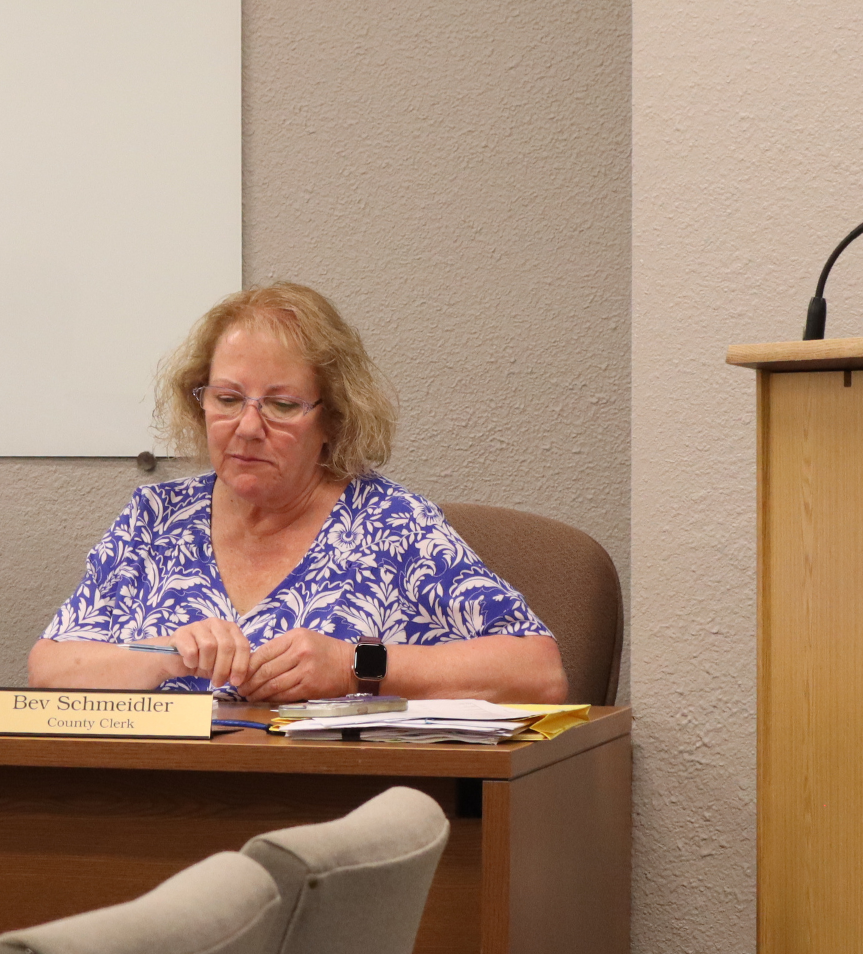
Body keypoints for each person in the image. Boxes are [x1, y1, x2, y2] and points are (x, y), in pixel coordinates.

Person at [29, 283, 567, 703]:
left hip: (331, 814)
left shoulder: (390, 526)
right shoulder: (156, 518)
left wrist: (356, 665)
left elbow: (538, 673)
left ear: (332, 418)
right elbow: (48, 668)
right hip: (156, 804)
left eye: (282, 405)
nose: (246, 426)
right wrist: (165, 656)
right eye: (227, 398)